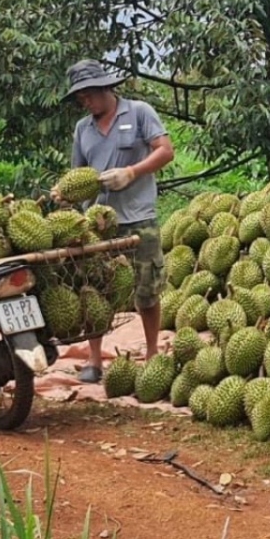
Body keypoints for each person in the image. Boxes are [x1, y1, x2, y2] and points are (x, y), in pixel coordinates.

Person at [52, 60, 173, 383]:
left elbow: (165, 151)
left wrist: (132, 172)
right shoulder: (83, 129)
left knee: (147, 289)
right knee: (95, 291)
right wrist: (65, 194)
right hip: (97, 223)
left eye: (88, 95)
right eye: (80, 98)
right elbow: (77, 175)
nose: (85, 102)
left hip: (139, 217)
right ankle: (94, 359)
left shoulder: (138, 112)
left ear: (105, 89)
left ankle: (151, 352)